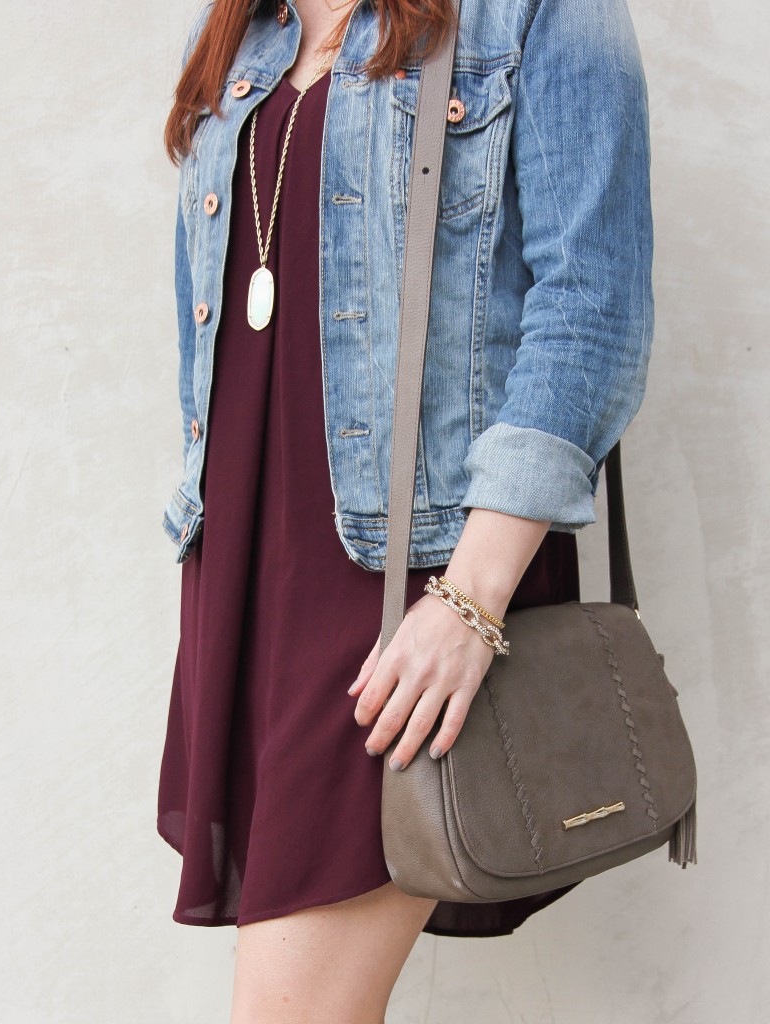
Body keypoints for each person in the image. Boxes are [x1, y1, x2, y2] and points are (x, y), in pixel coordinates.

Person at [155, 0, 653, 1019]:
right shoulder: (252, 31)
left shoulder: (532, 12)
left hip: (405, 588)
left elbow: (593, 312)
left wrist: (470, 603)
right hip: (250, 568)